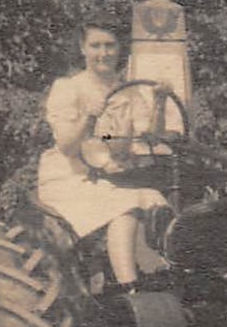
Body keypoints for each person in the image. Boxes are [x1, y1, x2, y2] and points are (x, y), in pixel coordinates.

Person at [37, 19, 169, 292]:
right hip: (70, 180)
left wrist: (160, 102)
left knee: (157, 201)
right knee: (127, 206)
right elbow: (67, 147)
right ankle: (128, 287)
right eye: (95, 45)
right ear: (83, 49)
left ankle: (161, 277)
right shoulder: (68, 88)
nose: (103, 53)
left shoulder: (130, 92)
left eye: (110, 46)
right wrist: (88, 116)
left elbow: (150, 137)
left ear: (119, 49)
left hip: (111, 179)